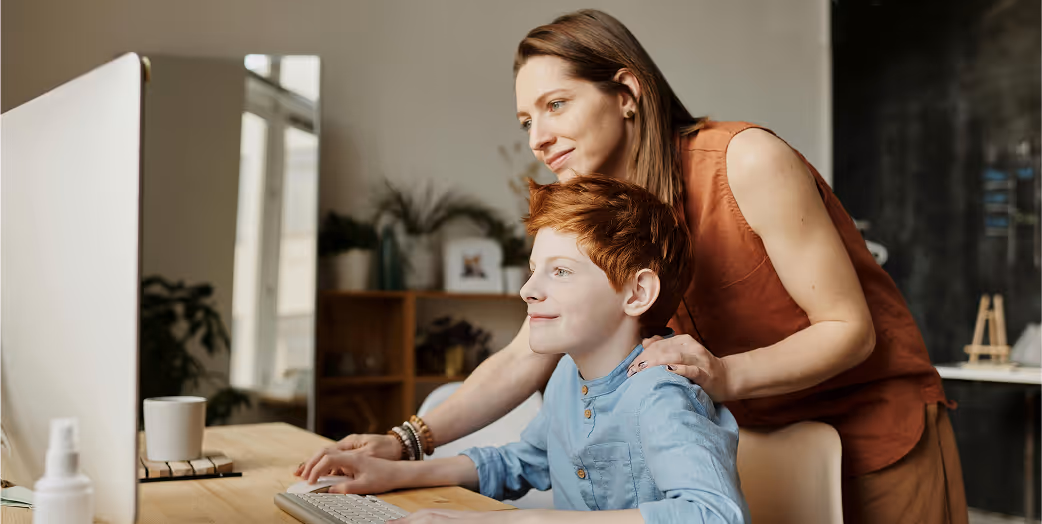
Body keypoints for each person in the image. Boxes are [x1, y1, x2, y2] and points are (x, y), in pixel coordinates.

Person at [299, 9, 967, 524]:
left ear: (627, 92)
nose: (538, 137)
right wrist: (404, 442)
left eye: (556, 105)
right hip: (754, 438)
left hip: (876, 432)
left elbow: (849, 329)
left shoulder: (746, 160)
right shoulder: (607, 212)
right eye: (527, 119)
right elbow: (526, 353)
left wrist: (723, 374)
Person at [300, 175, 749, 523]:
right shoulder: (566, 378)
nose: (528, 290)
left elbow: (715, 515)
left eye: (561, 272)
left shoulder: (660, 395)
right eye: (534, 269)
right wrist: (397, 473)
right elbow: (523, 462)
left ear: (636, 294)